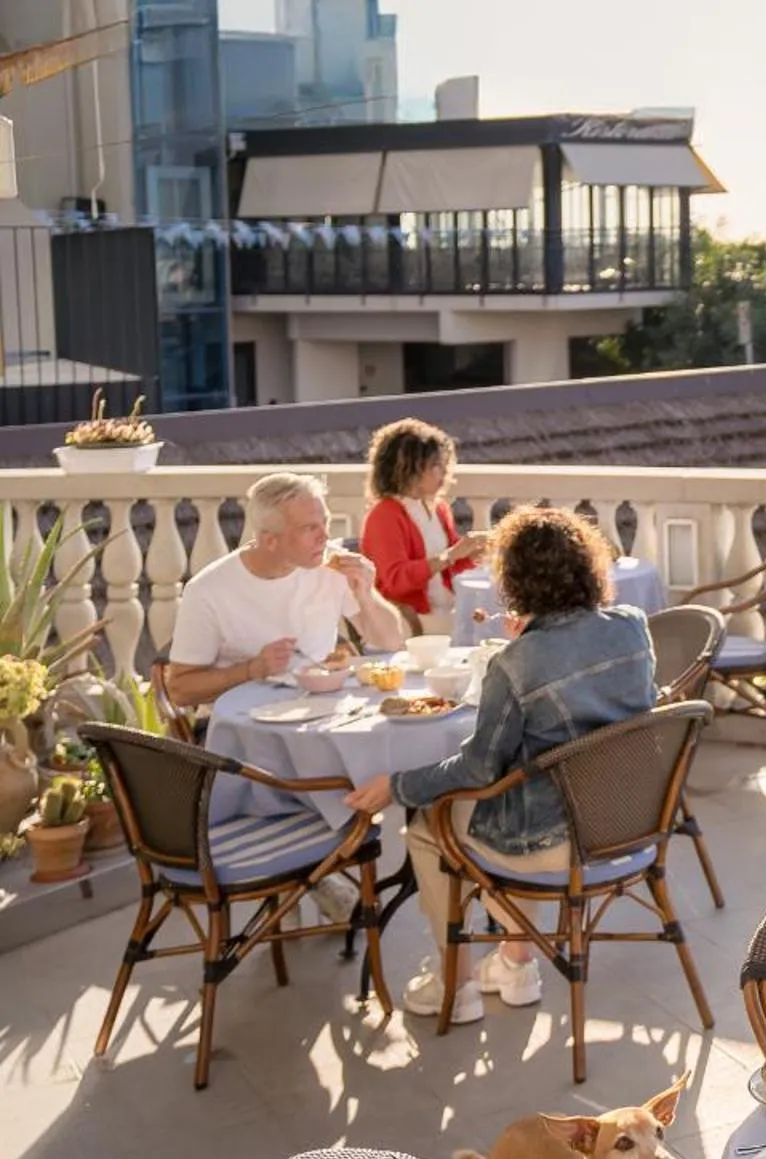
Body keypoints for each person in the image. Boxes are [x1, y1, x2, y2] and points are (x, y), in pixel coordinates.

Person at [345, 506, 657, 1022]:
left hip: (552, 843)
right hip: (627, 819)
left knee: (429, 822)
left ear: (515, 583)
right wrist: (531, 640)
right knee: (512, 800)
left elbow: (477, 770)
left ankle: (456, 983)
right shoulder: (631, 625)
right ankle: (514, 964)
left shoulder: (515, 664)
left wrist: (396, 785)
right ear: (588, 565)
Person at [164, 472, 409, 707]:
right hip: (243, 724)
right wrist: (251, 670)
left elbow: (391, 643)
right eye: (309, 528)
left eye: (325, 522)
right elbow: (180, 689)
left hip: (322, 708)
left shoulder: (333, 566)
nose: (325, 537)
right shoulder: (208, 590)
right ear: (270, 540)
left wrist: (366, 596)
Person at [359, 417, 486, 628]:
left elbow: (452, 567)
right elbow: (395, 583)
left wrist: (474, 553)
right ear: (408, 469)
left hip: (447, 610)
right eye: (436, 465)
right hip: (413, 620)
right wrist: (450, 555)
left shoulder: (439, 507)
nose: (445, 472)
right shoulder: (384, 515)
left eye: (445, 464)